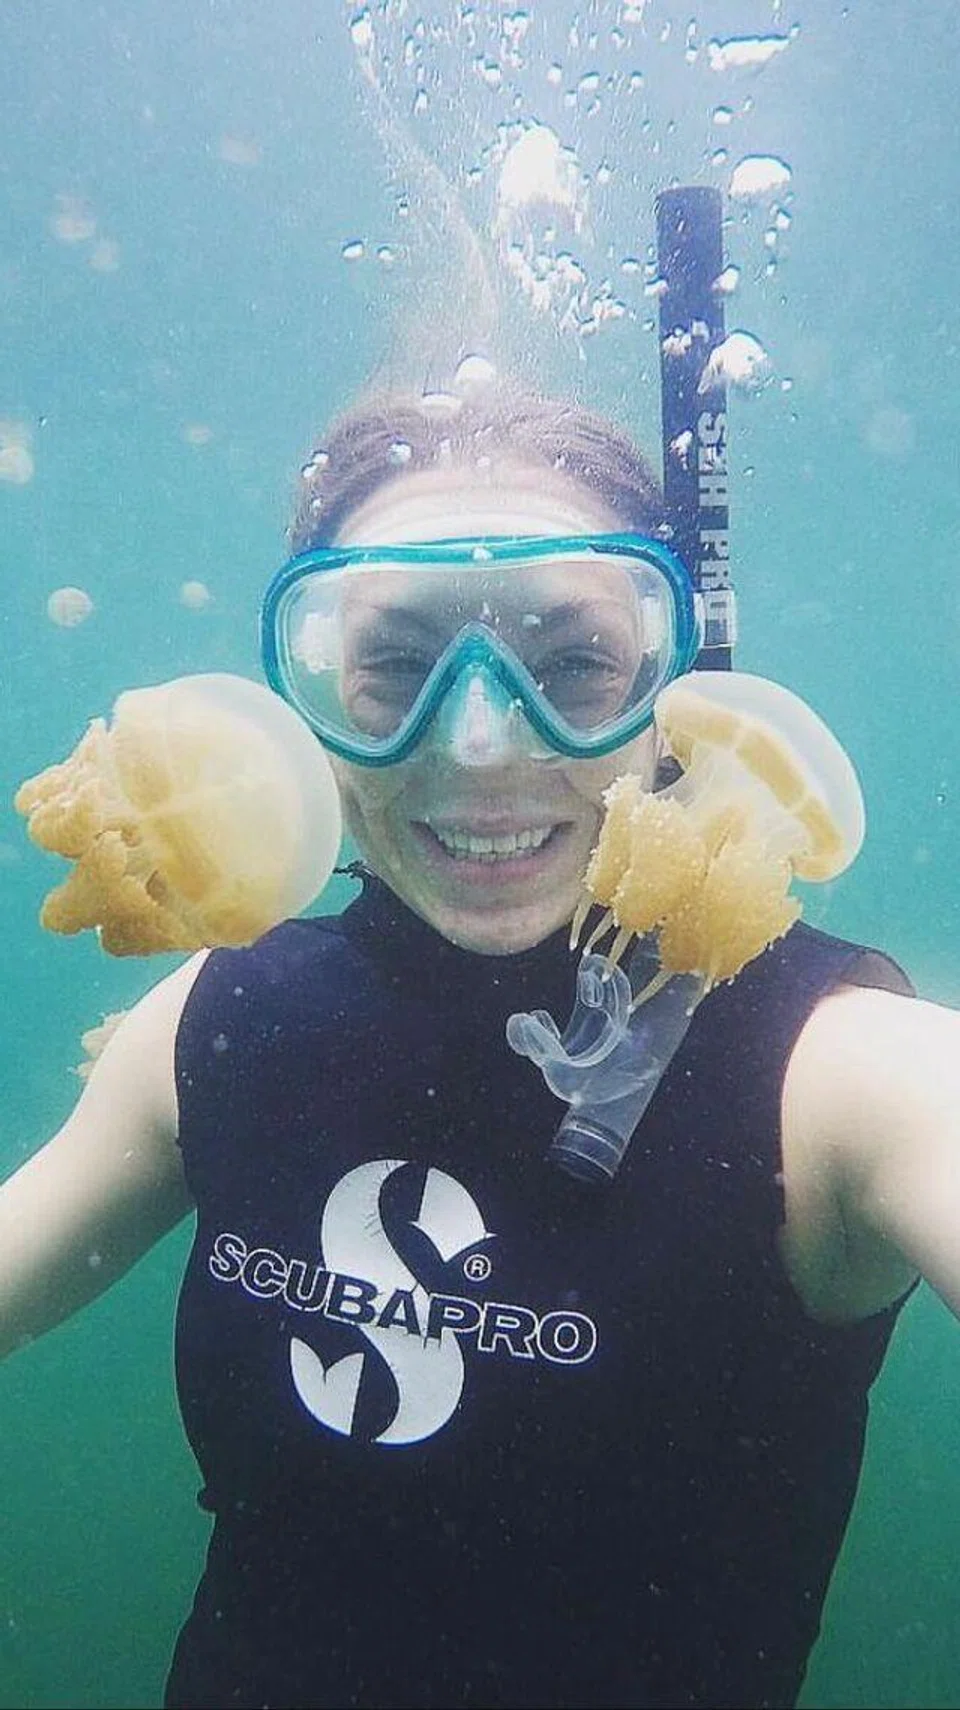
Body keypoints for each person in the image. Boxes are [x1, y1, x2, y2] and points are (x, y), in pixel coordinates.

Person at [2, 383, 959, 1710]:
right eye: (397, 664)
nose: (478, 741)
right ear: (315, 693)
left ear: (669, 687)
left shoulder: (839, 1074)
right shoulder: (216, 1016)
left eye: (572, 662)